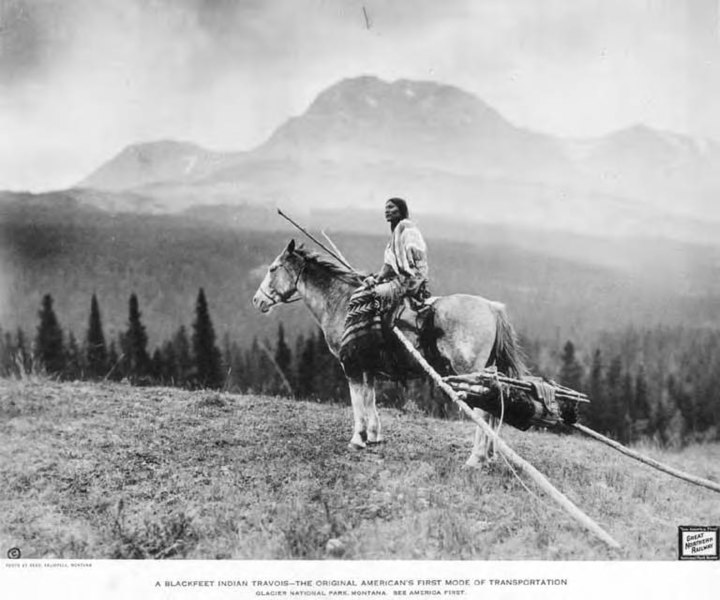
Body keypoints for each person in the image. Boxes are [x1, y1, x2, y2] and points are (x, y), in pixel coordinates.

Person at [365, 197, 429, 308]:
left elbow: (391, 266)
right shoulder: (404, 228)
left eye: (391, 207)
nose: (386, 211)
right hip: (415, 280)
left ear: (401, 210)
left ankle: (380, 325)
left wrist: (377, 279)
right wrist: (377, 276)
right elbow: (397, 264)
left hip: (407, 282)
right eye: (385, 208)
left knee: (366, 295)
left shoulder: (403, 227)